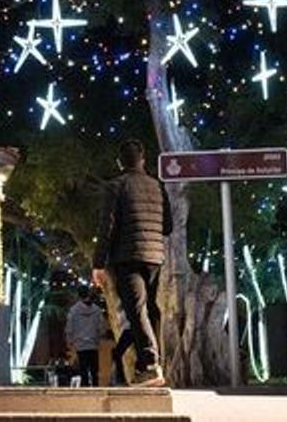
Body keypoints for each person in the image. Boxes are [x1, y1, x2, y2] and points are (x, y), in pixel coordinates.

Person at [91, 139, 172, 387]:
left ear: (120, 162)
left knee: (136, 311)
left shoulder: (116, 186)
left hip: (128, 258)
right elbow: (167, 226)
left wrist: (98, 264)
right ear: (143, 159)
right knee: (148, 310)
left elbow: (107, 227)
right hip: (154, 258)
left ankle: (150, 364)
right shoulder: (157, 186)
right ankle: (144, 367)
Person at [65, 287, 106, 387]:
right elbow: (101, 327)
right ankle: (96, 389)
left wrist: (70, 340)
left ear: (79, 295)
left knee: (83, 371)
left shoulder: (74, 310)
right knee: (94, 371)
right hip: (93, 344)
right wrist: (99, 336)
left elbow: (69, 327)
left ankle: (86, 390)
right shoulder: (96, 310)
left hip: (80, 344)